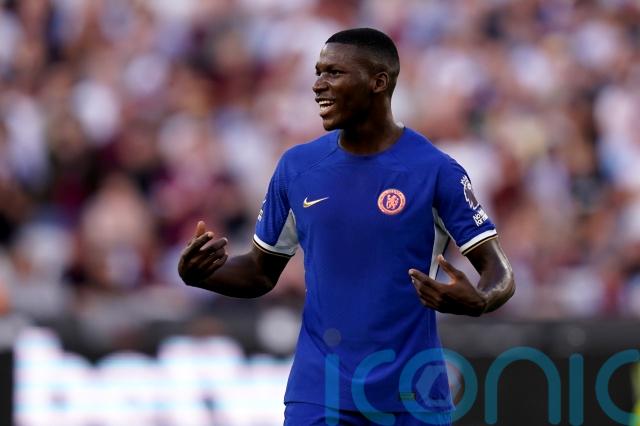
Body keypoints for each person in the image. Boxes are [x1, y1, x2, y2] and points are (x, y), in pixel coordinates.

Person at [178, 27, 515, 426]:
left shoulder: (436, 171)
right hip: (320, 394)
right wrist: (202, 275)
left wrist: (482, 299)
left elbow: (499, 271)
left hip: (412, 396)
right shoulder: (297, 168)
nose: (318, 85)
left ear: (378, 82)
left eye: (334, 73)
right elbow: (260, 271)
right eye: (318, 72)